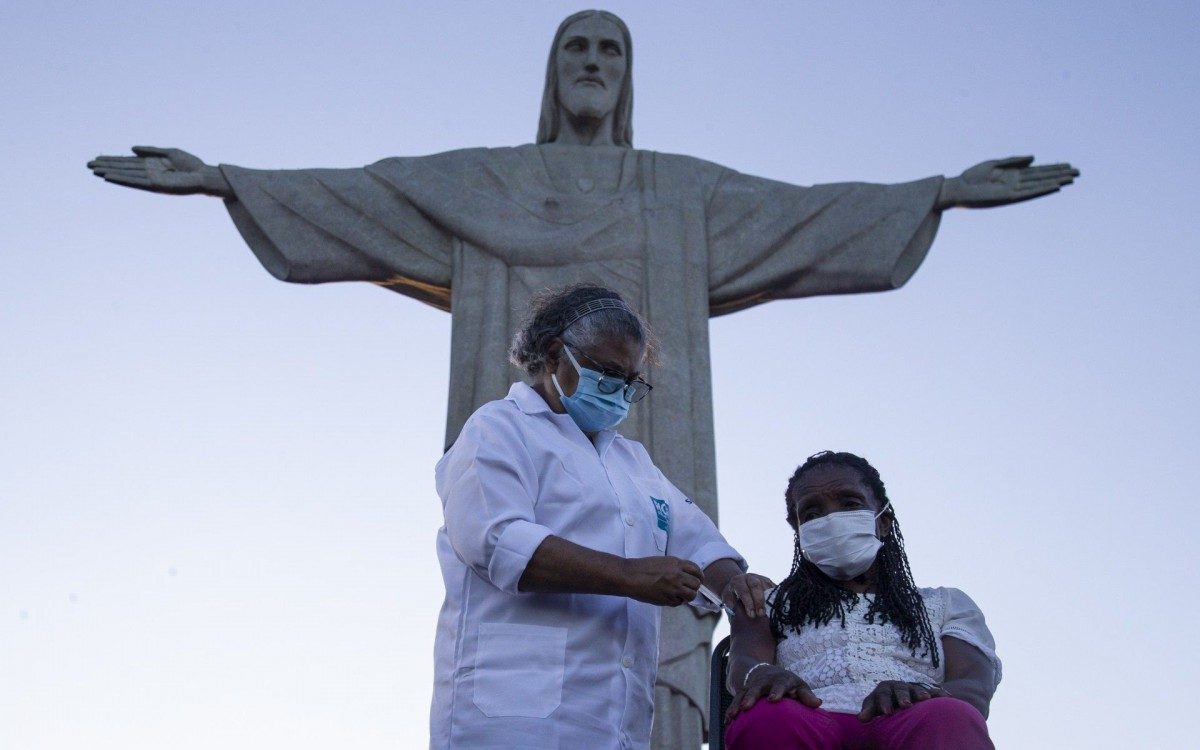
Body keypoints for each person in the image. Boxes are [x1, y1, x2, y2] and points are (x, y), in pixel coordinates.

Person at [87, 11, 1074, 745]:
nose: (594, 63)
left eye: (611, 49)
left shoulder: (674, 213)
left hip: (610, 703)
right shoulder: (495, 397)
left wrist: (936, 195)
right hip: (511, 709)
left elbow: (804, 219)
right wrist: (227, 180)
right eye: (577, 47)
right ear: (550, 357)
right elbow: (365, 200)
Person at [431, 285, 771, 750]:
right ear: (555, 356)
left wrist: (735, 585)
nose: (621, 393)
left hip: (616, 722)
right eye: (608, 374)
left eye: (632, 382)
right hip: (513, 714)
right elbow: (497, 542)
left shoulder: (634, 461)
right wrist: (628, 575)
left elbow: (698, 542)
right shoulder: (498, 429)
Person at [724, 452, 1001, 750]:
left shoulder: (946, 604)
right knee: (766, 717)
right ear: (799, 531)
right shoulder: (769, 602)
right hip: (808, 718)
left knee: (949, 716)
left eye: (850, 504)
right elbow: (744, 661)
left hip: (911, 721)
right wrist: (762, 674)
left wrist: (919, 693)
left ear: (883, 521)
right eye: (812, 514)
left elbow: (973, 686)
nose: (831, 520)